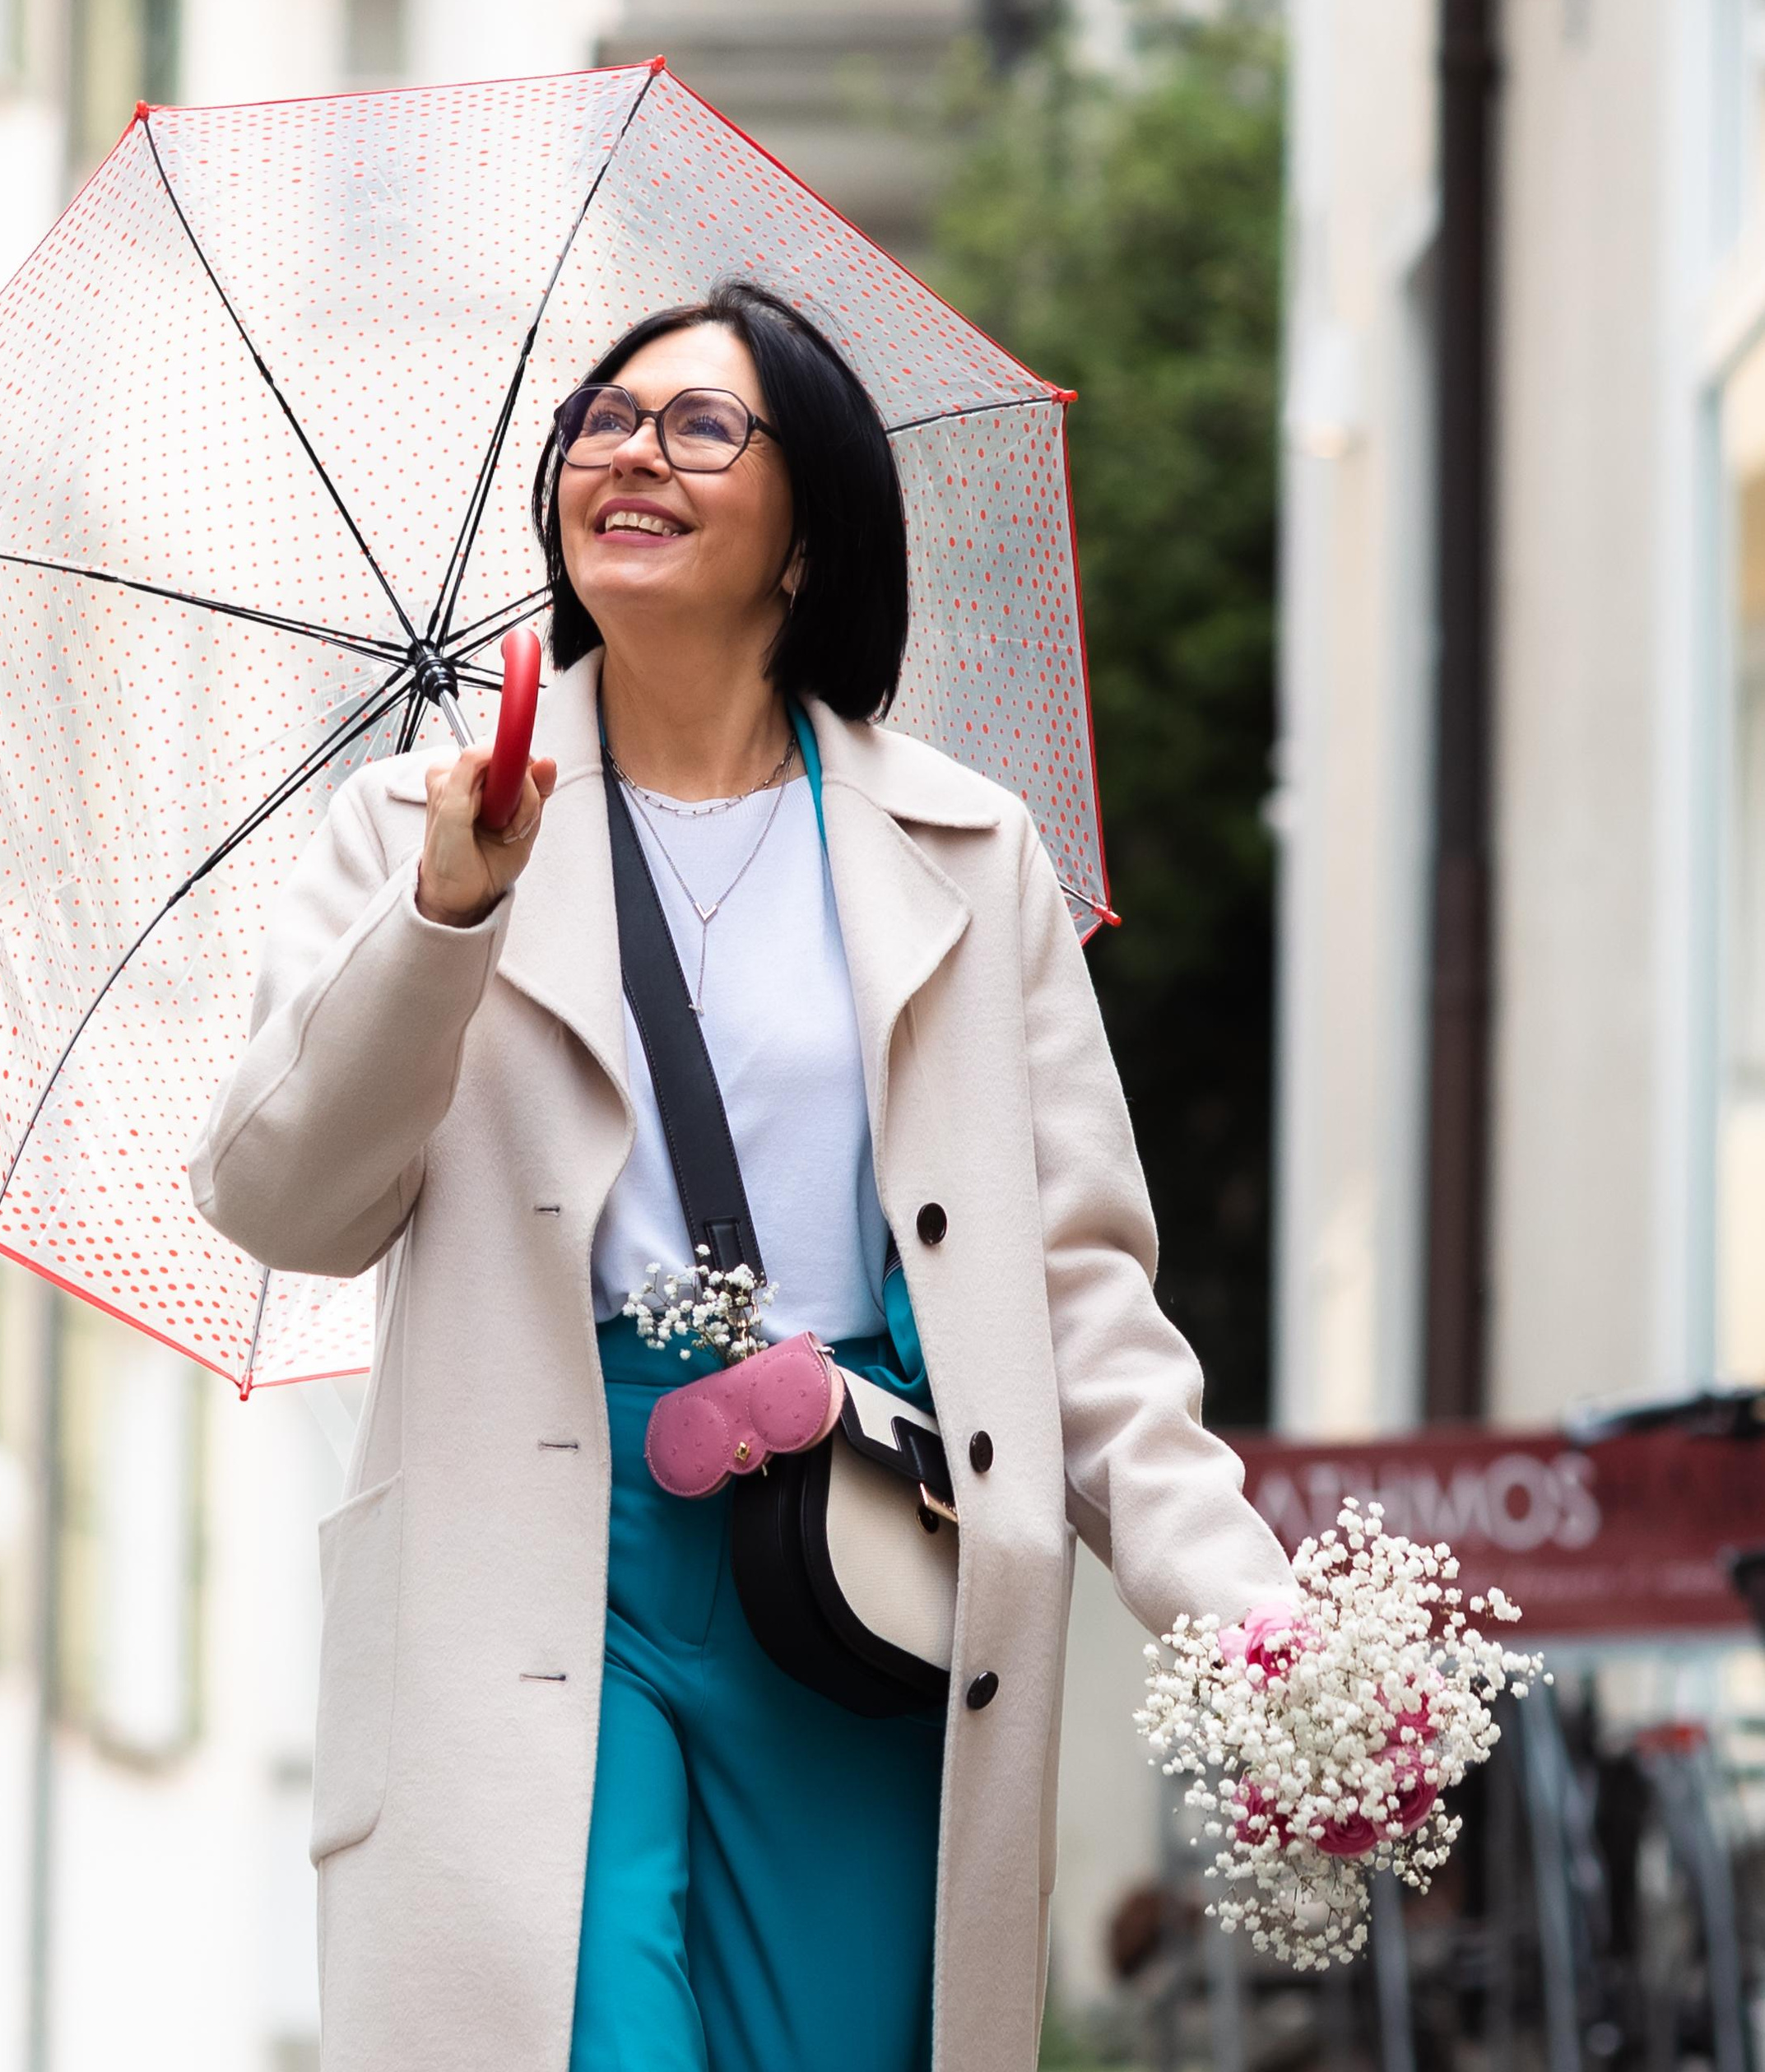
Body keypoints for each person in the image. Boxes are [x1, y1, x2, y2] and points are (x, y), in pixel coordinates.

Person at [191, 280, 1294, 2072]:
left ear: (808, 532)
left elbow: (1077, 1296)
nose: (630, 451)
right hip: (540, 1545)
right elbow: (280, 1201)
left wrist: (1244, 1619)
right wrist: (447, 914)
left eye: (699, 424)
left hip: (854, 1551)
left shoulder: (963, 852)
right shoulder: (415, 828)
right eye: (602, 422)